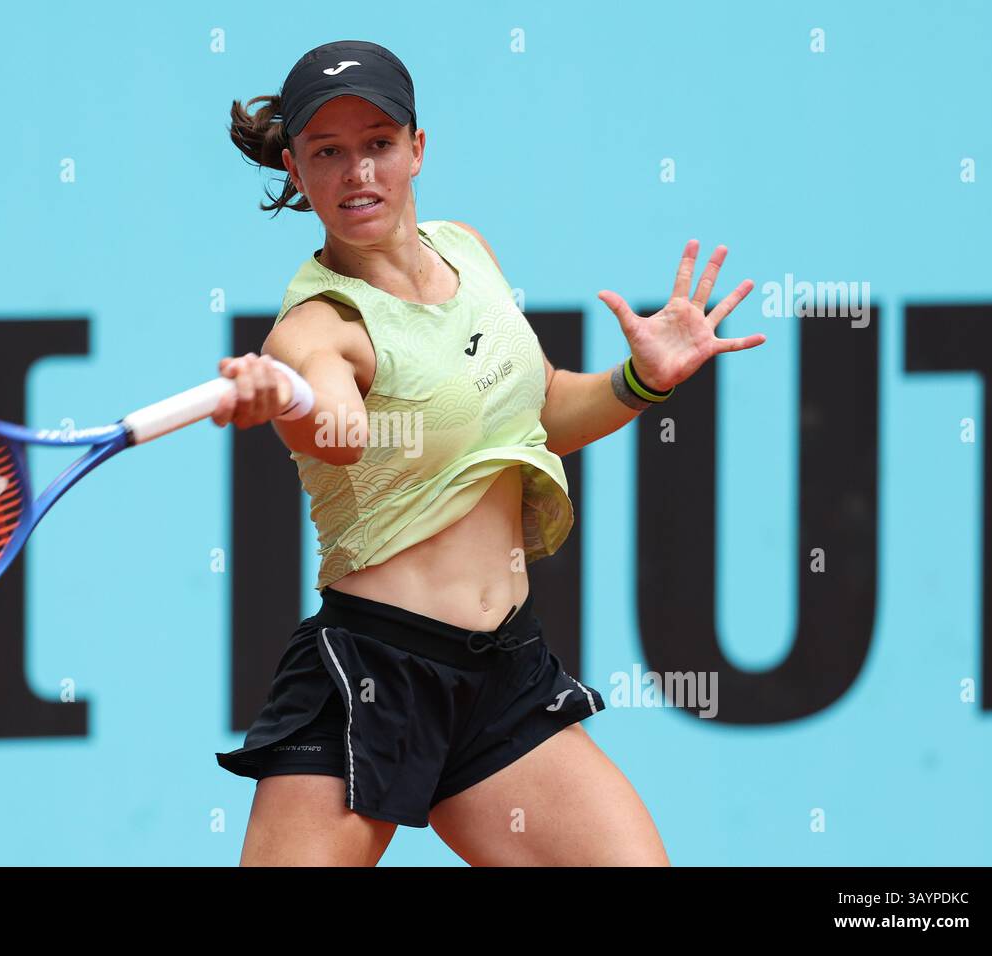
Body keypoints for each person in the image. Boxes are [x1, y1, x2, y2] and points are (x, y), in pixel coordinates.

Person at [213, 40, 765, 866]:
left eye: (378, 144)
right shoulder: (314, 330)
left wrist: (639, 381)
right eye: (328, 153)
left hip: (503, 674)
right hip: (372, 676)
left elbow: (540, 412)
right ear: (295, 169)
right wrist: (286, 402)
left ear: (417, 149)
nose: (358, 172)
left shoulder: (467, 250)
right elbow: (337, 433)